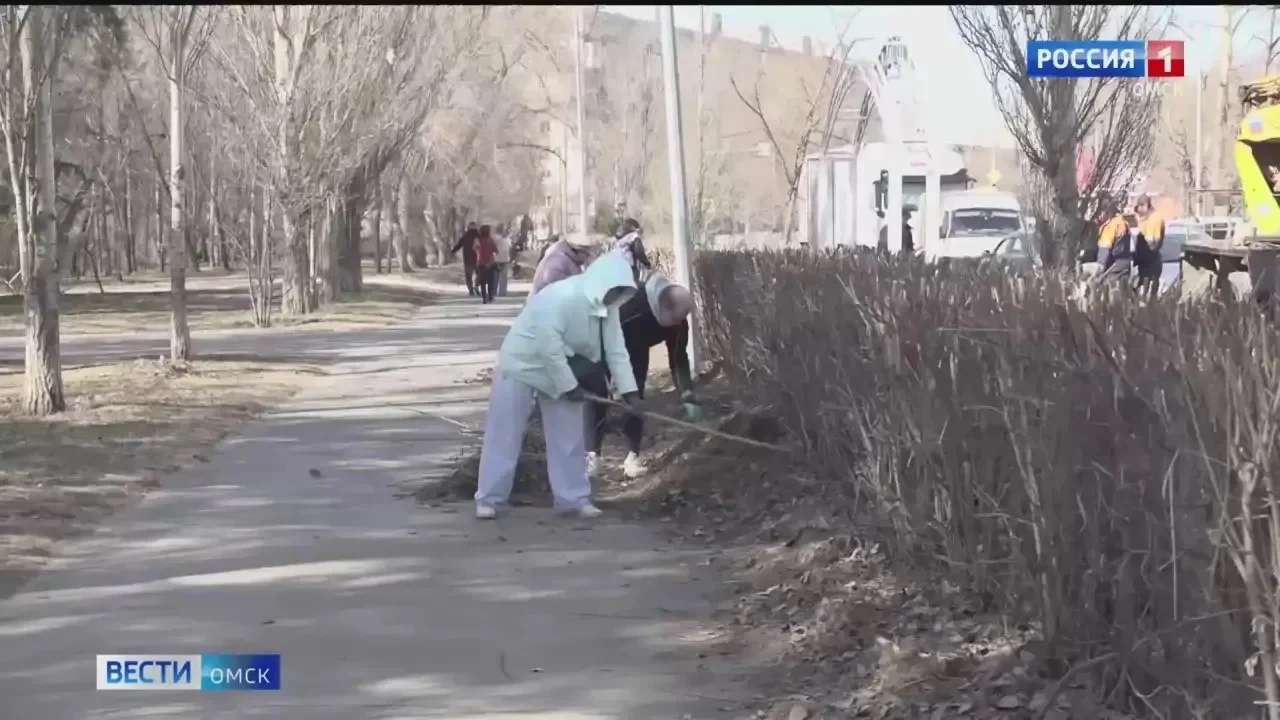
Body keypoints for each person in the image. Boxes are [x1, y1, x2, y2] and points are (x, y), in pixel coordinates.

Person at [474, 251, 643, 520]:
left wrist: (630, 393)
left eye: (621, 293)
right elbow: (548, 346)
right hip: (522, 365)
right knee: (505, 433)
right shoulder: (559, 298)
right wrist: (569, 386)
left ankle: (573, 498)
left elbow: (616, 351)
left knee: (569, 437)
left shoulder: (607, 309)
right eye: (614, 291)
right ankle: (490, 499)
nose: (615, 298)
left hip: (564, 369)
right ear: (600, 282)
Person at [586, 273, 698, 479]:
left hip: (637, 350)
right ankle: (593, 454)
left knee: (635, 397)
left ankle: (632, 456)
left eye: (681, 319)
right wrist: (609, 380)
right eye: (676, 318)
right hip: (605, 343)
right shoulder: (631, 307)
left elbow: (678, 357)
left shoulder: (677, 320)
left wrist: (687, 393)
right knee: (599, 395)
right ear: (662, 309)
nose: (679, 323)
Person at [531, 233, 598, 295]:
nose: (586, 258)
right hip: (543, 303)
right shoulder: (560, 258)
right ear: (578, 251)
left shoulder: (570, 260)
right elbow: (551, 278)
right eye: (587, 255)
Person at [1133, 195, 1165, 299]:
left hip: (1151, 258)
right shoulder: (1146, 218)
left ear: (1145, 205)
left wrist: (1146, 255)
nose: (1139, 211)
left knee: (1149, 288)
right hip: (1145, 259)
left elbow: (1155, 242)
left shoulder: (1155, 218)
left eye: (1140, 207)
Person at [1095, 203, 1132, 285]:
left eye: (1100, 213)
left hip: (1113, 268)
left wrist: (1099, 270)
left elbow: (1105, 250)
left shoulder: (1110, 226)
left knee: (1108, 293)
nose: (1098, 217)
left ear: (1106, 213)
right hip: (1124, 266)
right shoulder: (1123, 223)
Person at [451, 221, 480, 296]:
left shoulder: (465, 236)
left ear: (468, 227)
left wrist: (452, 251)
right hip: (478, 258)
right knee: (480, 273)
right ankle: (477, 285)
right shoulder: (479, 236)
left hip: (467, 258)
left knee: (468, 275)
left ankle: (470, 289)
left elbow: (459, 245)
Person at [474, 225, 499, 304]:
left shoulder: (478, 240)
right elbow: (496, 251)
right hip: (490, 263)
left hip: (481, 263)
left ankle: (484, 297)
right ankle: (490, 297)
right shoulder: (490, 240)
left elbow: (475, 249)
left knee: (482, 282)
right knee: (491, 281)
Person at [493, 223, 513, 297]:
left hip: (497, 259)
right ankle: (502, 292)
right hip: (503, 259)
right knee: (503, 277)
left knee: (496, 276)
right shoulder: (505, 239)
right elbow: (510, 248)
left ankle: (494, 291)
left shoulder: (495, 238)